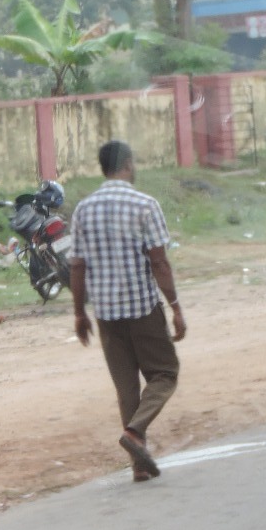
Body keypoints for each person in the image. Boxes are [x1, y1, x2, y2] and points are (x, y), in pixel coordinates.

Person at [69, 139, 186, 481]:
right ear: (128, 164)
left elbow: (77, 266)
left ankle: (140, 465)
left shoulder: (83, 209)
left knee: (127, 389)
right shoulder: (144, 204)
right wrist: (176, 307)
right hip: (142, 308)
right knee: (165, 373)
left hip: (105, 313)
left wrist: (79, 313)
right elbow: (159, 262)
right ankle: (135, 434)